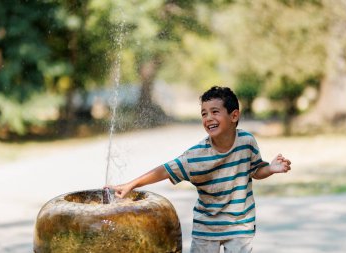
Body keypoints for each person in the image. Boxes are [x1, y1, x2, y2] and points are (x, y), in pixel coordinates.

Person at [105, 86, 291, 253]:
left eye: (215, 112)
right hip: (206, 228)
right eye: (204, 114)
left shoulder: (246, 142)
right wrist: (131, 184)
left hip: (240, 226)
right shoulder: (196, 156)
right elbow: (165, 170)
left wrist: (271, 168)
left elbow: (256, 170)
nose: (208, 118)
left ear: (234, 116)